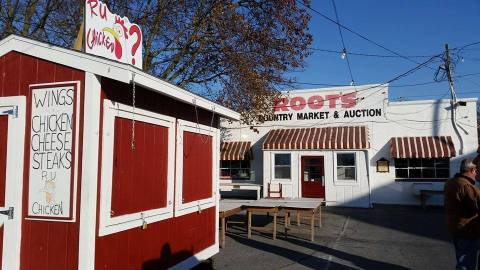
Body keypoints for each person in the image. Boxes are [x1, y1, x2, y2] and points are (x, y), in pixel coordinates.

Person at [444, 158, 480, 270]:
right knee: (466, 262)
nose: (477, 173)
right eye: (476, 171)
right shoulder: (466, 186)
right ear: (472, 170)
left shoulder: (451, 182)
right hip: (467, 229)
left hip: (456, 226)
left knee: (462, 257)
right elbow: (477, 205)